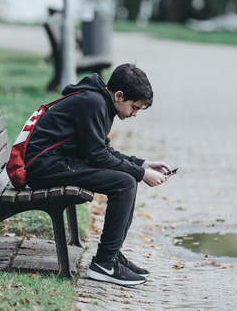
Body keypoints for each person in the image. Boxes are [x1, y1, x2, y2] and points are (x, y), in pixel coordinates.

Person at [24, 63, 170, 286]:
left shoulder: (101, 101)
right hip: (44, 167)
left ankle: (111, 255)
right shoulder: (93, 103)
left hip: (57, 162)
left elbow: (102, 150)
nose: (135, 114)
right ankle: (104, 263)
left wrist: (143, 164)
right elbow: (98, 156)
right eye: (134, 107)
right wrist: (141, 173)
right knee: (124, 183)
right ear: (119, 95)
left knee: (127, 180)